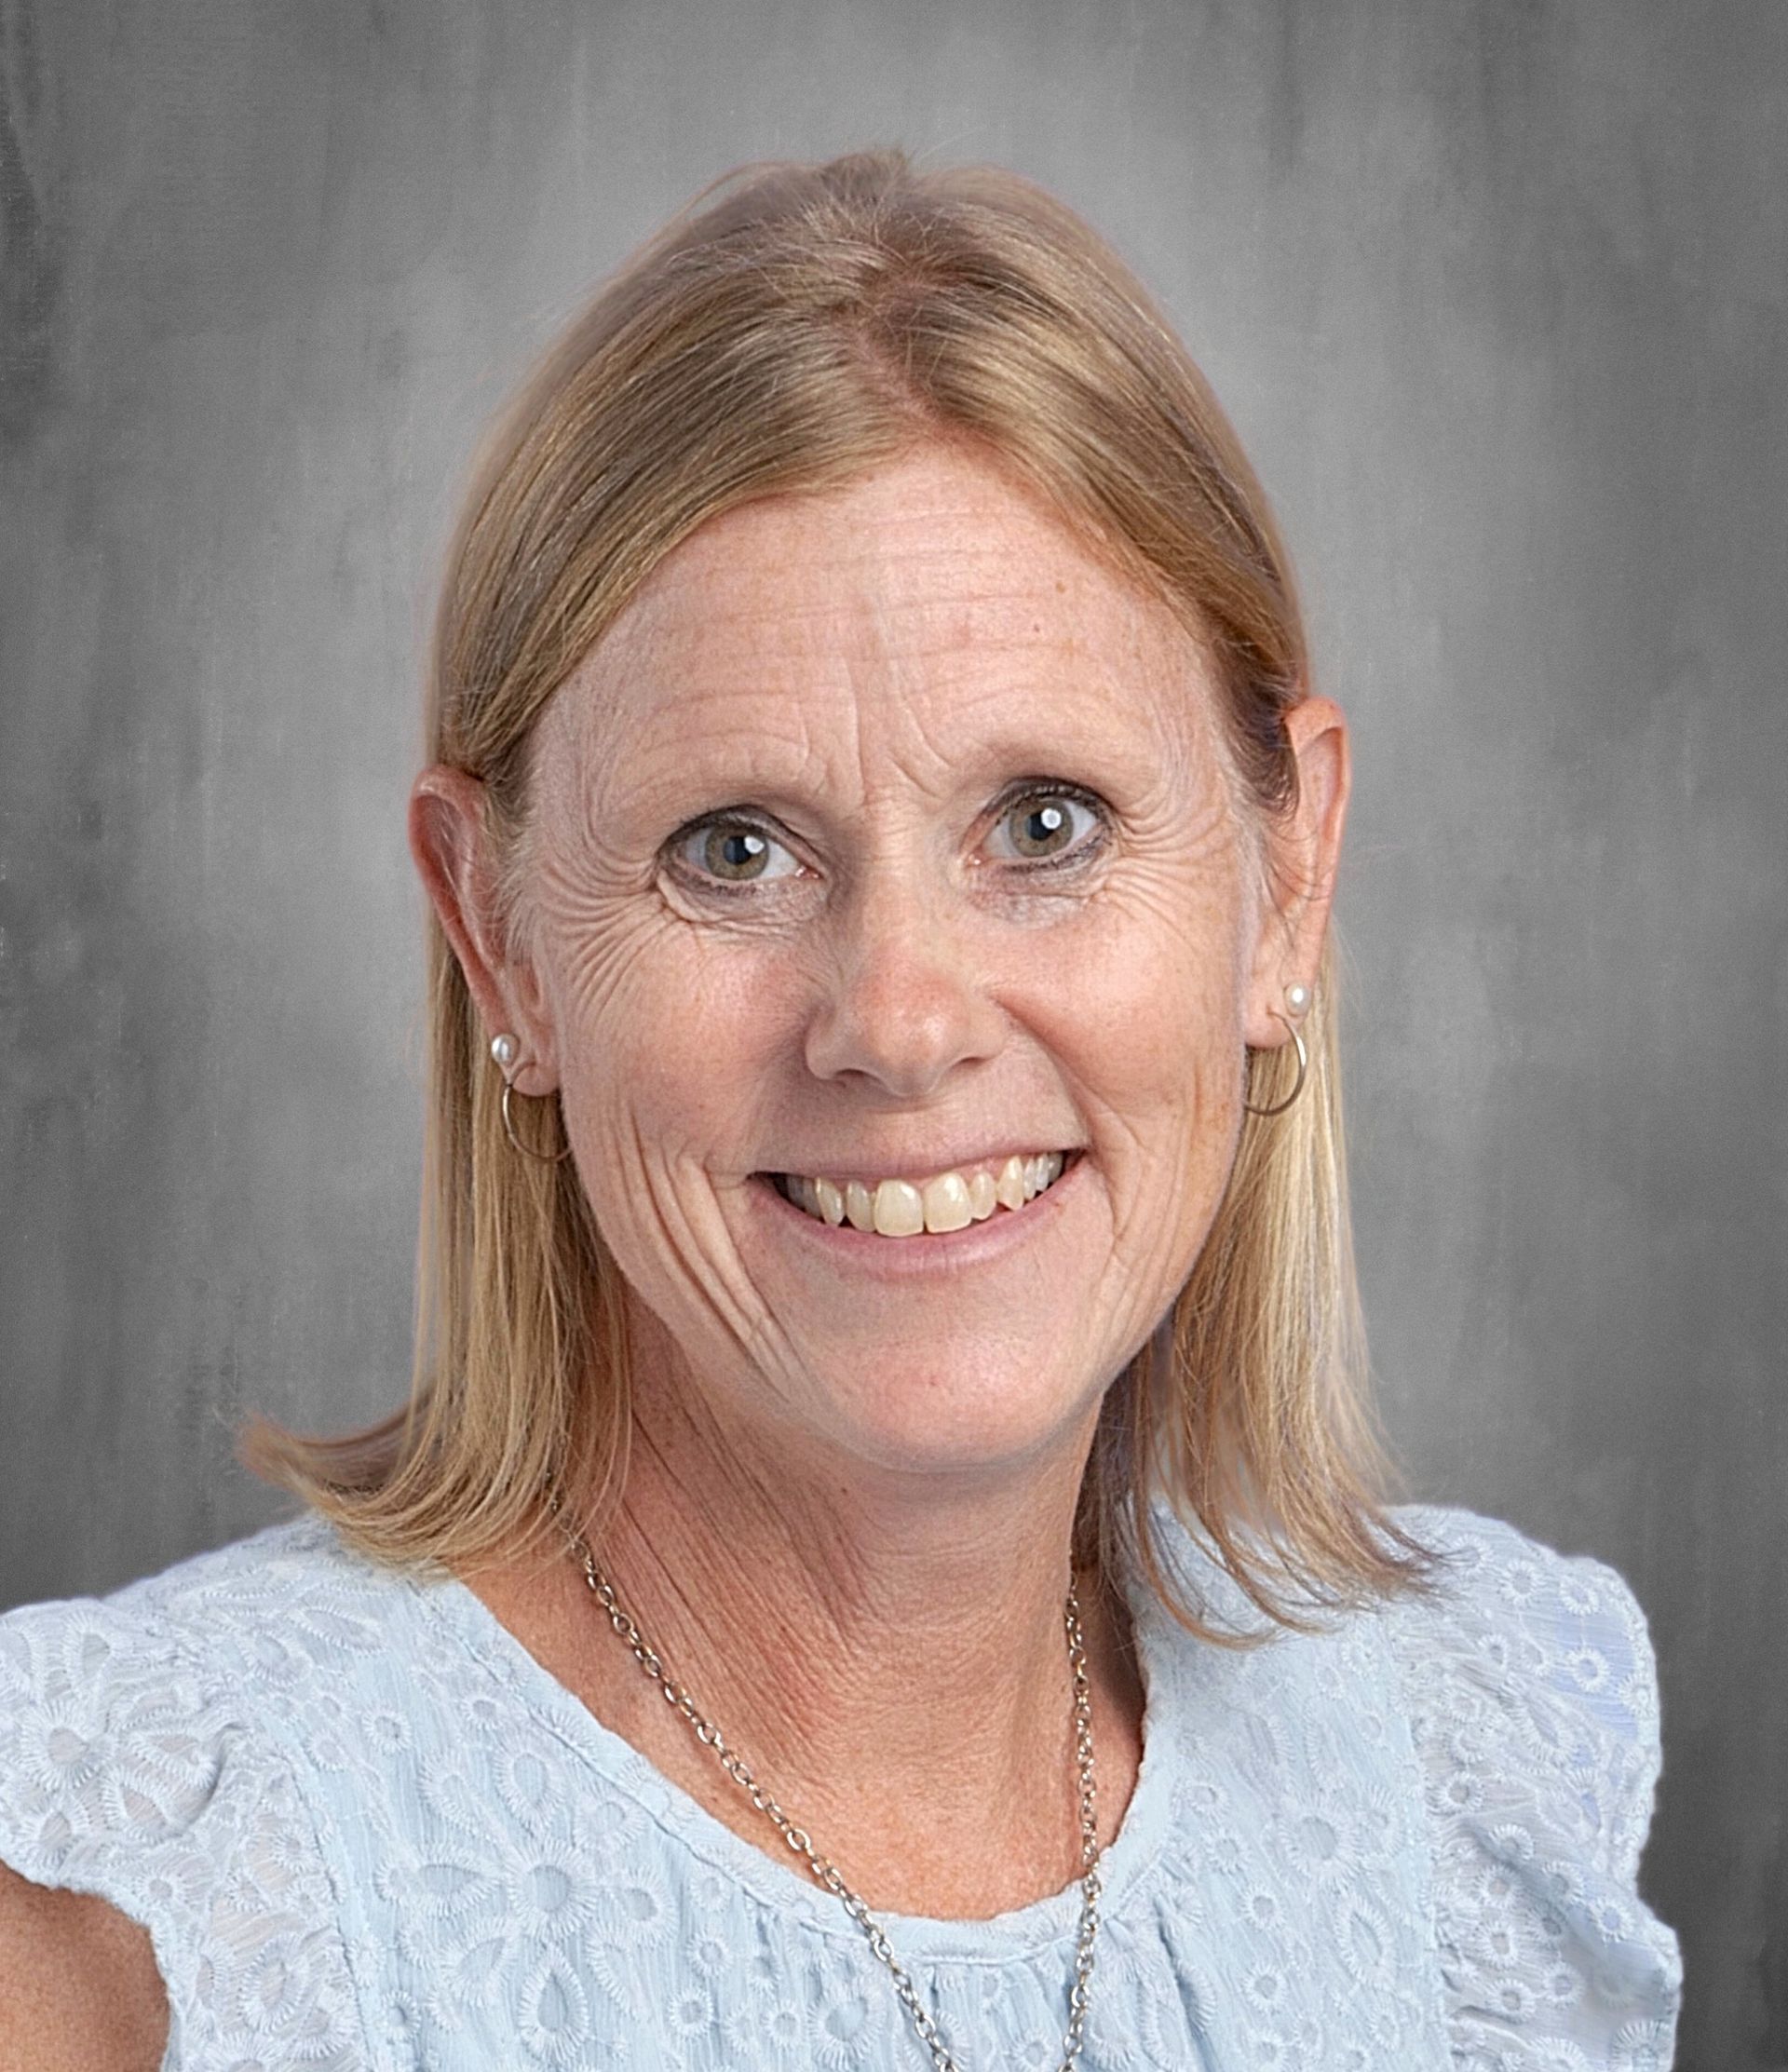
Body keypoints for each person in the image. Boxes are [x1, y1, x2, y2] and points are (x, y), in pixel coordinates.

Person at [0, 149, 1682, 2071]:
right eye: (734, 849)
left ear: (1284, 884)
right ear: (500, 942)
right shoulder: (125, 1923)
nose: (897, 1019)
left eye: (1044, 826)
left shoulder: (1456, 1787)